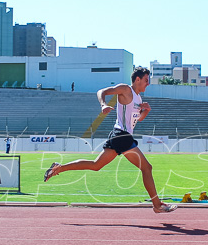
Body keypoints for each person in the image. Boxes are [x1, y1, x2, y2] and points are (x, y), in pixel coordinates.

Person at [44, 67, 175, 213]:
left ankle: (59, 168)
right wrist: (103, 104)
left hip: (121, 135)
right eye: (146, 80)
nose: (148, 83)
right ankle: (157, 205)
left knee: (96, 165)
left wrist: (146, 110)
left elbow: (138, 119)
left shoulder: (138, 98)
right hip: (121, 135)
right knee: (146, 168)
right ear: (137, 79)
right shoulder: (125, 89)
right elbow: (101, 91)